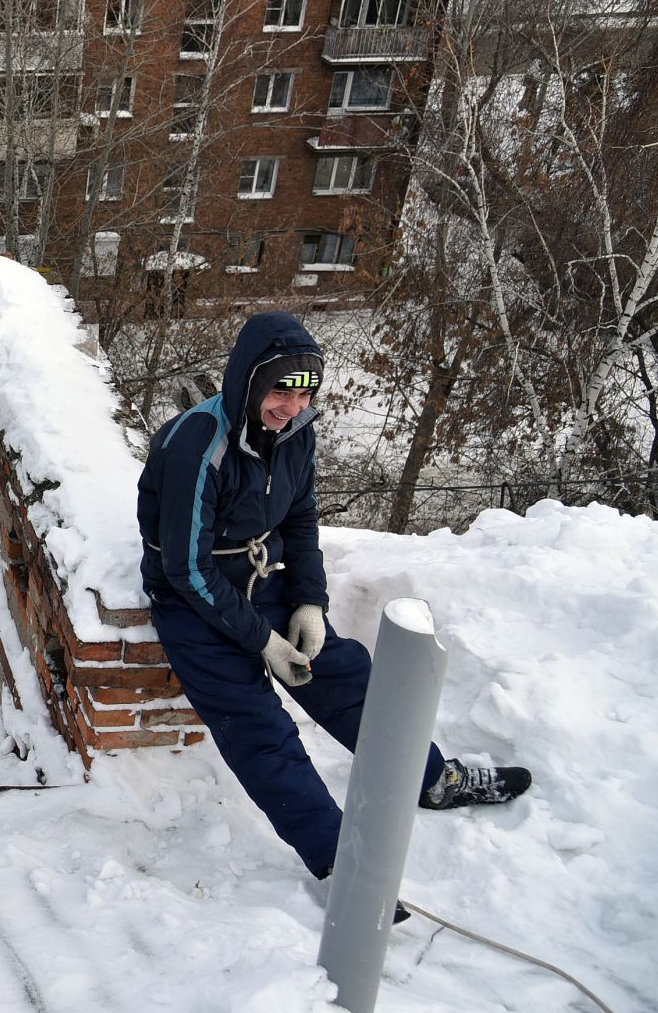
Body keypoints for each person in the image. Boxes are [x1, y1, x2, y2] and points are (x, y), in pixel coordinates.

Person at [137, 311, 530, 894]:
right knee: (259, 728)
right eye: (279, 392)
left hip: (258, 577)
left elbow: (300, 521)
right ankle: (340, 862)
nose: (291, 408)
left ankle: (431, 778)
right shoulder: (197, 445)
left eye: (304, 395)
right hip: (192, 600)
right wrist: (262, 642)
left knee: (345, 674)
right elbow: (186, 567)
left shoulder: (296, 433)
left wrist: (309, 604)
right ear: (249, 380)